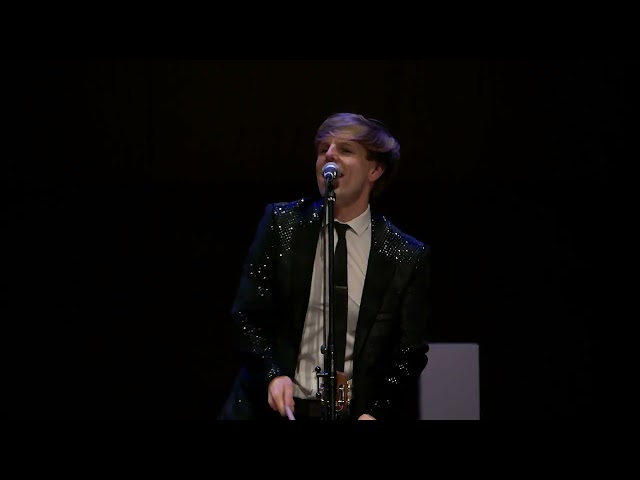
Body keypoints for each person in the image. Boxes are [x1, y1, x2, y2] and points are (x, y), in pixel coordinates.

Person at [218, 112, 431, 420]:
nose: (329, 155)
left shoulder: (405, 254)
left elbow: (409, 353)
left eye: (345, 150)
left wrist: (377, 411)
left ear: (375, 169)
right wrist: (272, 373)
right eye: (323, 149)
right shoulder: (282, 225)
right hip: (273, 411)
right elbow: (246, 314)